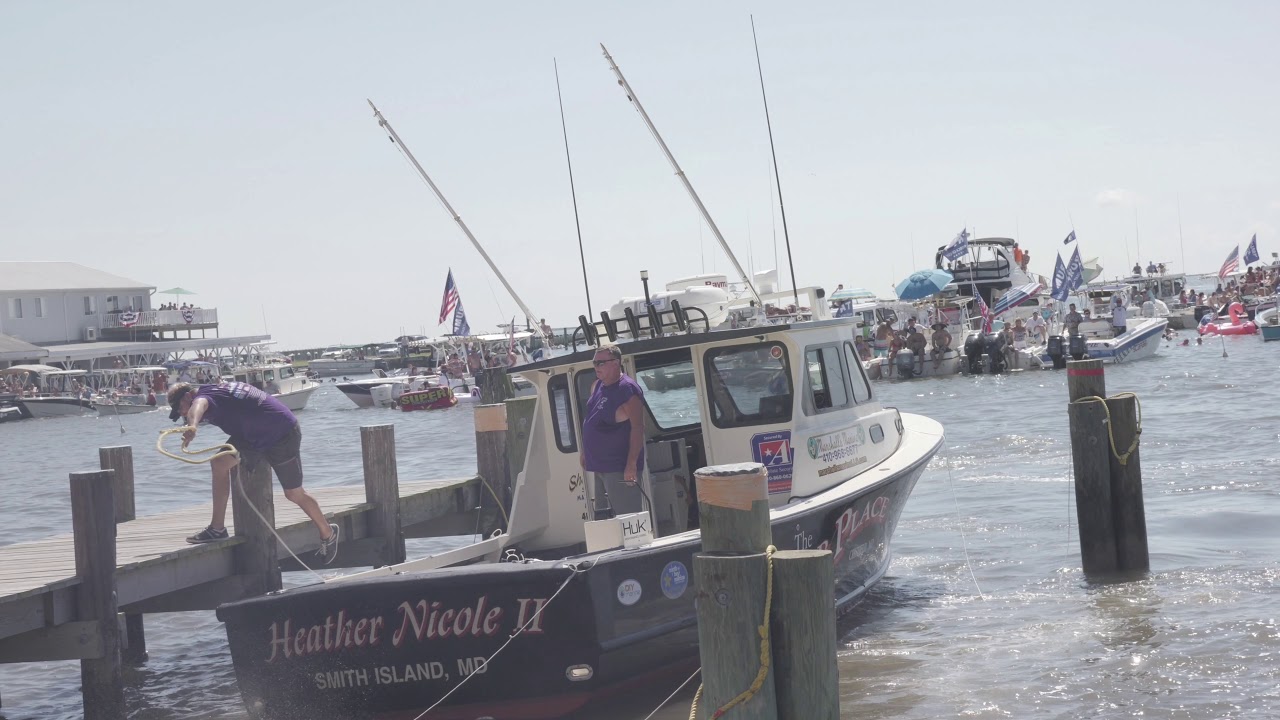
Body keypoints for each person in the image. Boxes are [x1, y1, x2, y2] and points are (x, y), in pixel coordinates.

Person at [167, 381, 339, 564]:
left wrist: (193, 426)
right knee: (218, 464)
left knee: (294, 494)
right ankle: (217, 529)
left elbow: (198, 406)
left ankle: (328, 532)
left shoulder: (202, 397)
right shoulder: (214, 389)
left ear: (187, 396)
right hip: (250, 437)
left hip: (282, 433)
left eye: (180, 408)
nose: (182, 414)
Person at [581, 345, 646, 517]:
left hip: (618, 468)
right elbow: (590, 420)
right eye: (594, 362)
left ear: (616, 363)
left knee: (628, 519)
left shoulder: (627, 390)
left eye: (601, 363)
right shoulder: (598, 386)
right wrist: (585, 452)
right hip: (599, 466)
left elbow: (638, 428)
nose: (596, 367)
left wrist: (631, 465)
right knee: (603, 519)